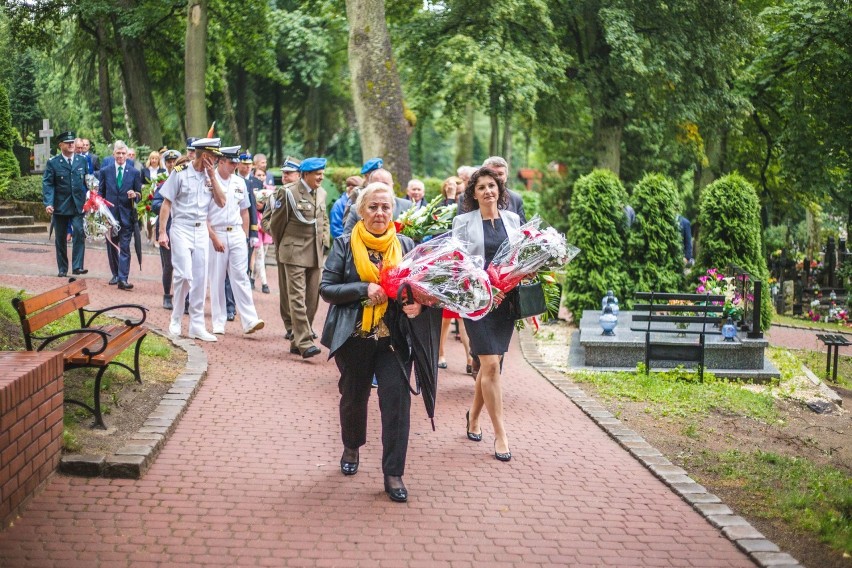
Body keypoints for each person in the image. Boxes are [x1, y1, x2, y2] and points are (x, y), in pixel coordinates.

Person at [319, 182, 428, 503]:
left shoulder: (407, 245)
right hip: (354, 338)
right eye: (373, 207)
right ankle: (352, 445)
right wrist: (362, 288)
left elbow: (421, 291)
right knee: (353, 397)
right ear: (361, 211)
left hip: (393, 340)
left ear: (394, 212)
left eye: (385, 208)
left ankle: (393, 472)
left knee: (397, 403)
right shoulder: (343, 245)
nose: (380, 213)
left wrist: (416, 305)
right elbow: (327, 289)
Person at [452, 167, 521, 462]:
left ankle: (473, 416)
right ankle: (501, 435)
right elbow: (458, 264)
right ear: (473, 193)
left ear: (499, 189)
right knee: (490, 363)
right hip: (477, 301)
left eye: (492, 186)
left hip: (505, 301)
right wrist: (484, 284)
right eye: (481, 187)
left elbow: (520, 259)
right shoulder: (463, 222)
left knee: (490, 368)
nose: (488, 191)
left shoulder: (513, 220)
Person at [157, 137, 227, 342]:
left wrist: (213, 177)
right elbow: (166, 204)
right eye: (214, 156)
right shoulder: (180, 174)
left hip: (200, 231)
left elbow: (222, 202)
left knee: (199, 279)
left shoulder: (210, 176)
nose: (215, 160)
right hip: (181, 228)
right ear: (204, 154)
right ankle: (176, 319)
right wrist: (162, 232)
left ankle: (197, 325)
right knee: (183, 275)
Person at [268, 157, 329, 358]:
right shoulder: (288, 193)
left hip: (315, 253)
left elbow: (324, 220)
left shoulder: (321, 193)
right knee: (297, 297)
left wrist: (325, 242)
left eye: (322, 173)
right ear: (305, 174)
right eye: (317, 174)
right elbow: (276, 224)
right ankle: (304, 342)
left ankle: (296, 339)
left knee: (312, 299)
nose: (321, 177)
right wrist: (282, 246)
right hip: (293, 252)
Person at [206, 146, 265, 336]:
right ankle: (218, 320)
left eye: (236, 162)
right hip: (217, 231)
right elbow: (202, 214)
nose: (235, 166)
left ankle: (250, 320)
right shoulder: (208, 181)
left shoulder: (240, 182)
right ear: (221, 161)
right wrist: (213, 236)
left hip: (237, 232)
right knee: (217, 278)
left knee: (241, 276)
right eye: (232, 162)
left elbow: (245, 211)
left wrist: (246, 237)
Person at [261, 156, 301, 340]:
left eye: (289, 173)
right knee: (286, 289)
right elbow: (265, 220)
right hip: (284, 248)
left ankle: (303, 324)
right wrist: (277, 234)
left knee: (306, 289)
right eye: (283, 173)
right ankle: (291, 325)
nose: (285, 177)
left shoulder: (309, 195)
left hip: (305, 248)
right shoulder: (276, 195)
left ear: (299, 175)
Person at [436, 176, 472, 373]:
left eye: (460, 191)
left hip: (464, 267)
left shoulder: (468, 206)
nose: (458, 195)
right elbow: (443, 230)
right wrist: (450, 200)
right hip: (446, 267)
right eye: (454, 191)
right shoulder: (442, 207)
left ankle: (469, 359)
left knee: (463, 317)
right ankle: (440, 352)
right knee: (445, 318)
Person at [42, 130, 89, 277]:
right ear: (60, 145)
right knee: (61, 237)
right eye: (67, 143)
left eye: (72, 142)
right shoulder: (53, 163)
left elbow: (87, 181)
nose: (71, 145)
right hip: (60, 205)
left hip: (77, 204)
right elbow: (48, 184)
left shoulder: (81, 160)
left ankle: (77, 266)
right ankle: (63, 268)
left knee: (79, 232)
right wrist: (48, 203)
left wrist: (91, 198)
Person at [98, 140, 142, 290]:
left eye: (124, 153)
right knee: (112, 247)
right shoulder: (105, 171)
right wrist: (100, 209)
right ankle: (115, 274)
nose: (121, 156)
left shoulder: (134, 172)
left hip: (126, 216)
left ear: (127, 155)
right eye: (118, 153)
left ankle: (123, 278)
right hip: (110, 216)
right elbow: (100, 193)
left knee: (125, 247)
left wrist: (134, 195)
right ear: (113, 154)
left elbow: (139, 195)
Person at [342, 166, 412, 235]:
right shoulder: (355, 209)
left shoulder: (407, 206)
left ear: (392, 185)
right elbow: (347, 237)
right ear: (368, 186)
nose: (381, 187)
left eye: (385, 184)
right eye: (376, 184)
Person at [151, 149, 181, 309]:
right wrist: (167, 206)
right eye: (168, 162)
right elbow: (154, 205)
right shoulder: (162, 184)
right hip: (166, 227)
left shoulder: (184, 180)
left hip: (183, 227)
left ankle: (186, 297)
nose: (171, 164)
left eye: (173, 161)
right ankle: (167, 295)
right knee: (168, 265)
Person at [141, 151, 166, 244]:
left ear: (158, 160)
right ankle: (149, 233)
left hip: (158, 195)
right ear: (150, 159)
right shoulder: (145, 170)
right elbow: (140, 182)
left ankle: (156, 239)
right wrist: (143, 187)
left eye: (156, 158)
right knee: (149, 221)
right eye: (152, 158)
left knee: (157, 218)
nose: (154, 160)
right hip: (148, 196)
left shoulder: (163, 171)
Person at [329, 175, 363, 240]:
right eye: (359, 189)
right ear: (350, 188)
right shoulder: (339, 204)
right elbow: (336, 229)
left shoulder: (360, 202)